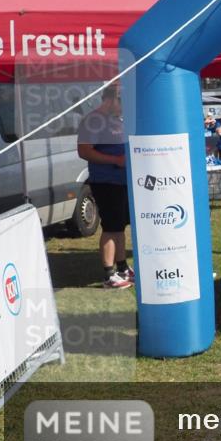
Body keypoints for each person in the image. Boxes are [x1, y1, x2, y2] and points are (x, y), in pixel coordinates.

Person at [77, 85, 133, 289]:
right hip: (105, 181)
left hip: (121, 182)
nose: (122, 109)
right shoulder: (92, 120)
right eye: (120, 104)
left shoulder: (116, 120)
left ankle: (122, 267)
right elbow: (84, 151)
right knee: (110, 227)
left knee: (119, 226)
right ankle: (109, 274)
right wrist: (115, 160)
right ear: (110, 100)